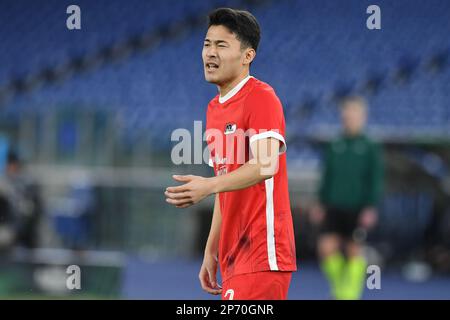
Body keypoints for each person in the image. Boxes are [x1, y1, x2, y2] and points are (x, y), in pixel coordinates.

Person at [165, 8, 297, 300]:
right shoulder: (214, 109)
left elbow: (265, 165)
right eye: (206, 44)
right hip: (234, 256)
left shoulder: (261, 97)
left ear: (248, 55)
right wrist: (211, 250)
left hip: (263, 253)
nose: (210, 53)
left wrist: (207, 186)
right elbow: (225, 185)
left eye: (221, 45)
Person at [310, 96, 384, 299]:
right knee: (325, 248)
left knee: (354, 250)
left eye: (353, 114)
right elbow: (327, 175)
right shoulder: (335, 144)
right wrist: (320, 202)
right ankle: (340, 290)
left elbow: (375, 179)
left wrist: (370, 206)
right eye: (346, 113)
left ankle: (349, 295)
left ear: (362, 117)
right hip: (333, 204)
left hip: (358, 206)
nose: (349, 117)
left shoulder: (369, 146)